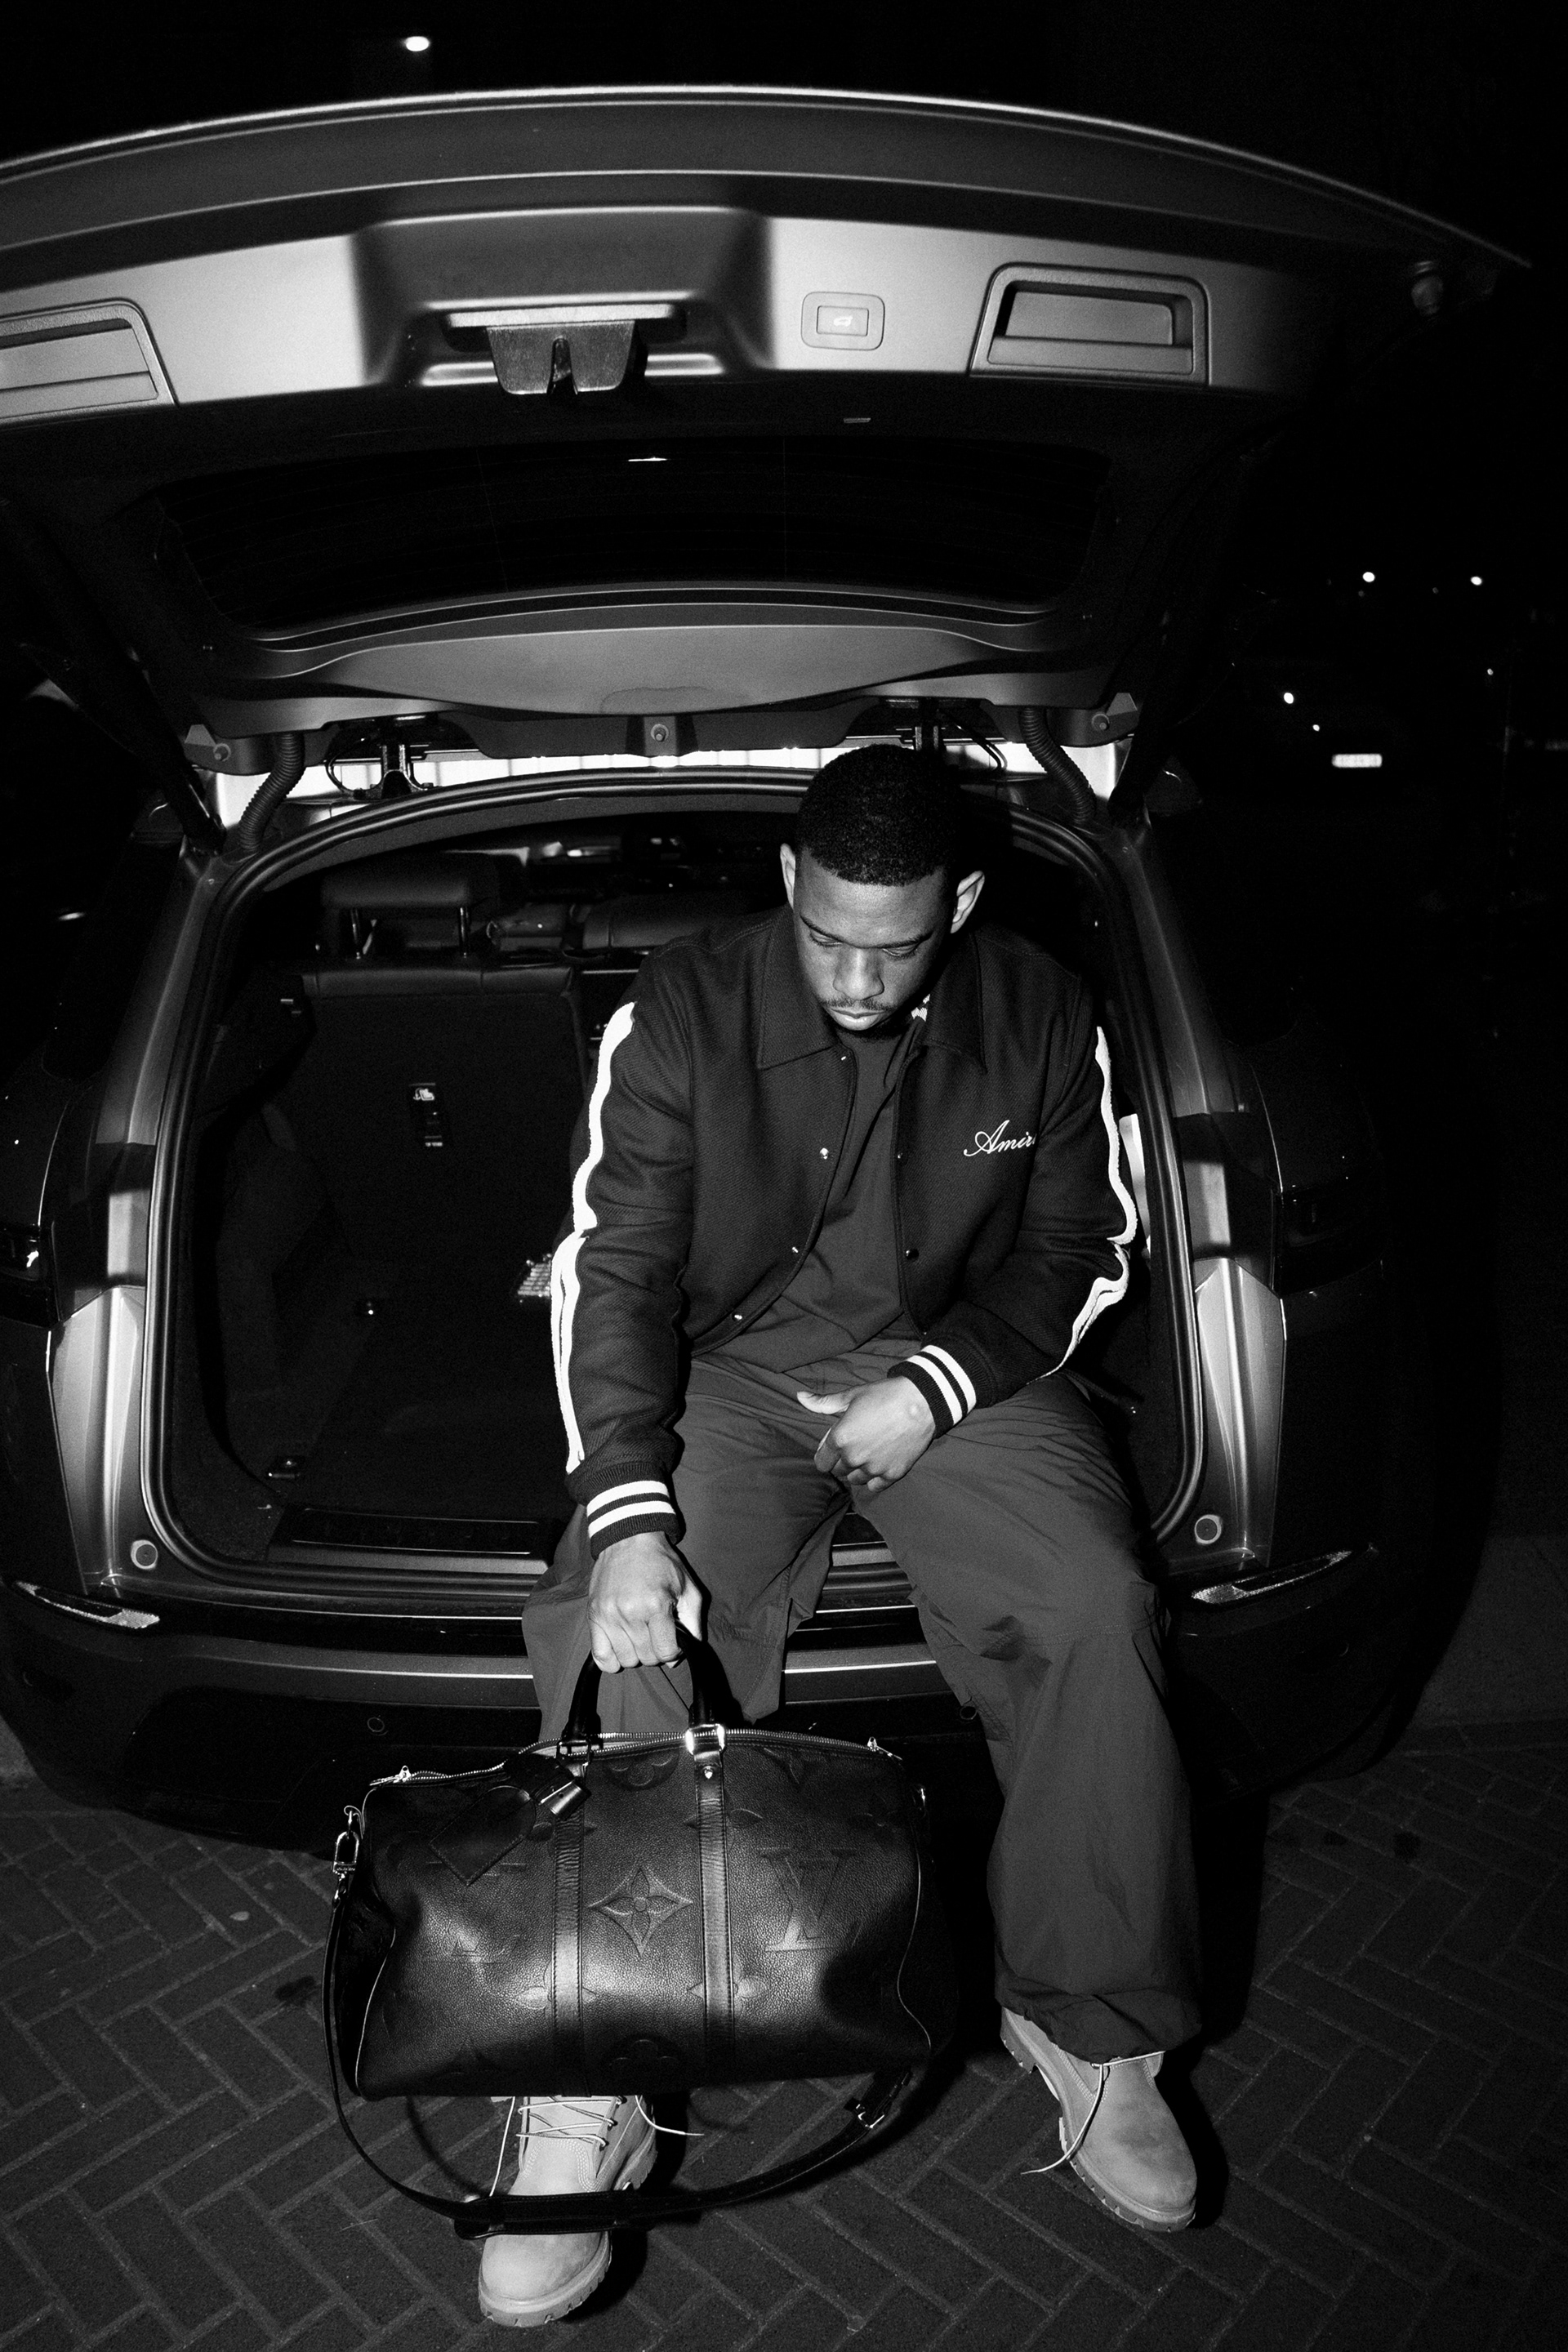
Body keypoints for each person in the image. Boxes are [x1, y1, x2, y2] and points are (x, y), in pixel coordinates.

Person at [478, 746, 1203, 2327]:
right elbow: (615, 1269)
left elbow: (1085, 1243)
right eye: (829, 939)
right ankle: (597, 2067)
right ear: (789, 888)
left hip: (961, 1370)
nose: (862, 978)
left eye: (900, 944)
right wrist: (627, 1515)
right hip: (733, 1375)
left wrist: (933, 1389)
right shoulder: (681, 1010)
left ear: (965, 900)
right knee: (629, 1629)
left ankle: (1093, 2026)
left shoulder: (1041, 1008)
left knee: (1094, 1605)